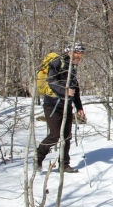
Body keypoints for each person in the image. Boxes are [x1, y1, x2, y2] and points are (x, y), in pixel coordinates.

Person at [36, 43, 86, 173]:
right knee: (55, 134)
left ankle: (64, 165)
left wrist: (79, 107)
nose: (80, 57)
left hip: (66, 105)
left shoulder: (72, 68)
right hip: (52, 104)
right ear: (70, 52)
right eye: (78, 54)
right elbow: (52, 82)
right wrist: (65, 91)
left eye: (81, 55)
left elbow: (75, 88)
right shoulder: (57, 63)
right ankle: (38, 157)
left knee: (66, 136)